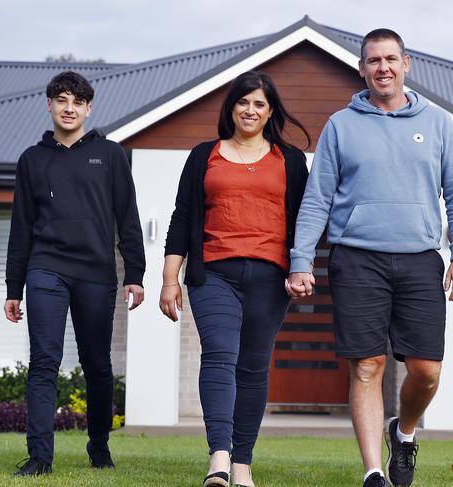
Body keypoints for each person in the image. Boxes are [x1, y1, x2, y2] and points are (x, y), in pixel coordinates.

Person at [287, 29, 453, 487]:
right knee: (367, 366)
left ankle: (403, 432)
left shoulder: (437, 123)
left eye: (391, 59)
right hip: (357, 258)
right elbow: (316, 200)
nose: (382, 68)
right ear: (362, 68)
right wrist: (301, 259)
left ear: (406, 64)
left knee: (427, 371)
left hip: (419, 259)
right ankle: (373, 470)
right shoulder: (340, 125)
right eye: (373, 61)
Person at [159, 70, 310, 487]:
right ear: (231, 107)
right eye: (243, 101)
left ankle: (243, 461)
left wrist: (304, 267)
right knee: (220, 355)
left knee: (254, 367)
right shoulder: (204, 154)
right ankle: (220, 457)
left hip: (269, 275)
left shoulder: (291, 161)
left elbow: (307, 220)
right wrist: (170, 278)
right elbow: (182, 219)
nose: (250, 109)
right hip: (214, 274)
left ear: (270, 111)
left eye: (259, 103)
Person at [4, 71, 146, 476]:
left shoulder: (112, 155)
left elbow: (128, 219)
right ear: (49, 104)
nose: (69, 108)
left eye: (77, 102)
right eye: (62, 100)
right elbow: (21, 226)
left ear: (89, 108)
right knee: (44, 362)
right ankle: (39, 458)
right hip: (45, 268)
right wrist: (15, 287)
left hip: (96, 273)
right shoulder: (32, 159)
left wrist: (134, 272)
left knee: (97, 364)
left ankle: (98, 446)